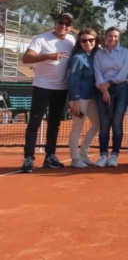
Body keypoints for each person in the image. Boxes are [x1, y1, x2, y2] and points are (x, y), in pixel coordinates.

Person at [20, 13, 76, 173]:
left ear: (70, 27)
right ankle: (28, 158)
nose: (63, 26)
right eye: (61, 22)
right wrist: (48, 56)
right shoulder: (41, 39)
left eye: (67, 24)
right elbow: (26, 58)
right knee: (34, 123)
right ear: (55, 23)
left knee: (54, 124)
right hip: (42, 87)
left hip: (61, 89)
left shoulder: (71, 41)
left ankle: (50, 156)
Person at [93, 26, 128, 168]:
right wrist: (104, 90)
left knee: (116, 123)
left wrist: (109, 84)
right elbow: (97, 72)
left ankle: (114, 155)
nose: (112, 39)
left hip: (121, 89)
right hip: (102, 90)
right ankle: (103, 155)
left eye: (115, 36)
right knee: (104, 125)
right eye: (110, 36)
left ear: (118, 38)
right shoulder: (98, 54)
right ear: (105, 37)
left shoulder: (125, 53)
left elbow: (123, 73)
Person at [67, 28, 101, 168]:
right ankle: (75, 159)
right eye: (84, 40)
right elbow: (72, 80)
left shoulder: (95, 55)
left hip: (92, 97)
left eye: (91, 40)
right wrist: (74, 101)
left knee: (97, 124)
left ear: (95, 41)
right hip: (80, 99)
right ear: (80, 42)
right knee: (77, 128)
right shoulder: (77, 57)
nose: (88, 42)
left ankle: (83, 154)